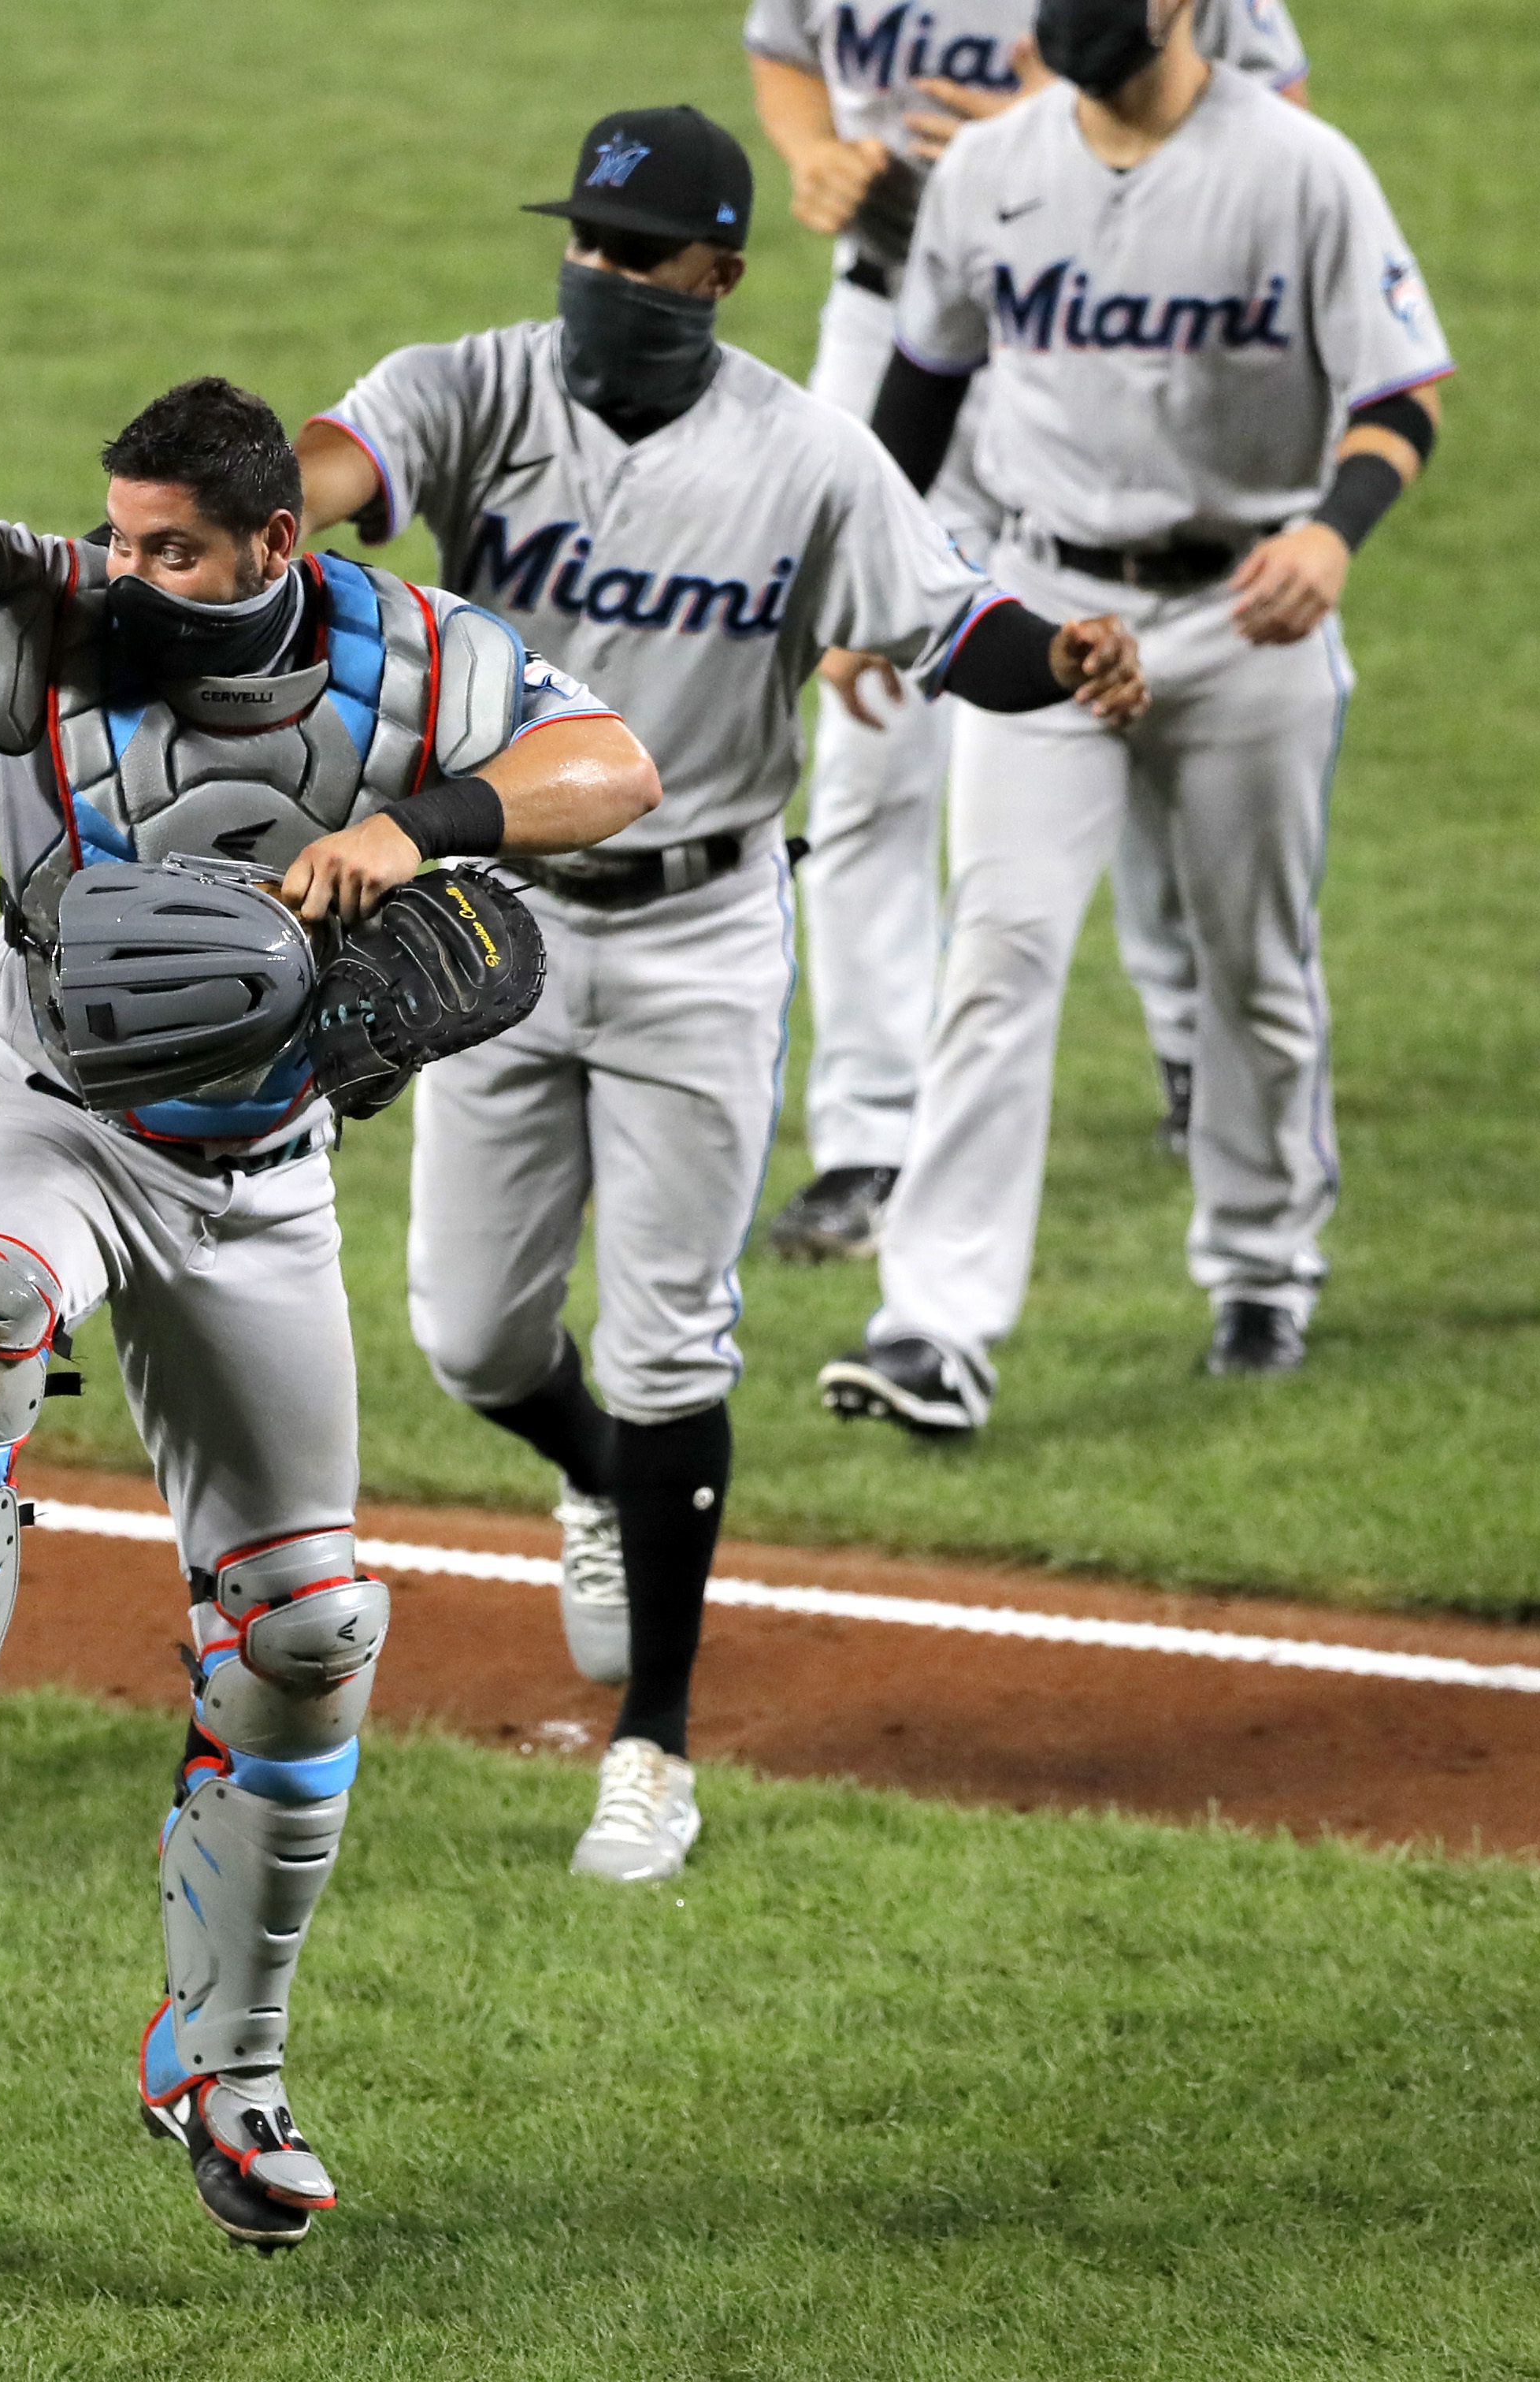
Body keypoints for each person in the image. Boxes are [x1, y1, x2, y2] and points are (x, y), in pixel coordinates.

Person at [0, 377, 661, 2248]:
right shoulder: (34, 612)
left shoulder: (414, 657)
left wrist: (420, 826)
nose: (131, 571)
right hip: (45, 1116)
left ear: (277, 543)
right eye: (119, 534)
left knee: (307, 1627)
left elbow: (613, 767)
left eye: (171, 546)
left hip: (261, 1177)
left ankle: (224, 2057)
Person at [297, 109, 1142, 1878]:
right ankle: (601, 1474)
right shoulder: (474, 387)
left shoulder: (804, 457)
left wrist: (1054, 656)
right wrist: (275, 500)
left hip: (698, 934)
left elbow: (943, 623)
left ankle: (650, 1748)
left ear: (716, 275)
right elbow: (345, 457)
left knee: (672, 1330)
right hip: (495, 916)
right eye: (585, 242)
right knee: (468, 1332)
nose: (599, 276)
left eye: (637, 252)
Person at [818, 0, 1451, 1433]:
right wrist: (877, 588)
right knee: (1002, 946)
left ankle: (1261, 1268)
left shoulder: (1299, 168)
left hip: (1246, 611)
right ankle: (934, 1327)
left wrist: (1335, 533)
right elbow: (922, 390)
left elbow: (1402, 392)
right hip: (1049, 613)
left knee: (1253, 966)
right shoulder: (989, 171)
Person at [742, 0, 1315, 1257]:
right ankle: (869, 1138)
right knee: (868, 737)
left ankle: (1188, 1044)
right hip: (891, 325)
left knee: (1147, 686)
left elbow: (1281, 120)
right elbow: (783, 52)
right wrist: (809, 158)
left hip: (1106, 328)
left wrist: (1071, 135)